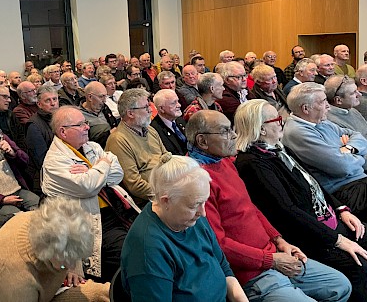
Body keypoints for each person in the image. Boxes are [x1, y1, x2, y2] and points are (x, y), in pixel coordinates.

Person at [186, 109, 352, 302]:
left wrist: (279, 240)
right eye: (225, 131)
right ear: (202, 141)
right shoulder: (196, 181)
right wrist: (272, 261)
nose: (234, 136)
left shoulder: (225, 162)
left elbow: (251, 208)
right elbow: (219, 245)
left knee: (340, 286)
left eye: (232, 129)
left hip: (272, 254)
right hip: (251, 273)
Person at [234, 99, 367, 302]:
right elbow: (287, 211)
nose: (282, 122)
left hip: (328, 219)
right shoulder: (253, 163)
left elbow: (313, 183)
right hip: (309, 235)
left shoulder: (279, 150)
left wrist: (341, 209)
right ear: (261, 129)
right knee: (365, 272)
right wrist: (338, 240)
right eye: (277, 118)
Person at [121, 154, 248, 302]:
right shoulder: (147, 250)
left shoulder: (191, 217)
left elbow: (224, 267)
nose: (203, 213)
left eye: (204, 202)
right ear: (166, 201)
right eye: (194, 205)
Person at [42, 106, 132, 281]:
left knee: (148, 240)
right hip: (86, 225)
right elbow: (88, 186)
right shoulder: (54, 161)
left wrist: (92, 171)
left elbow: (118, 174)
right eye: (81, 124)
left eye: (86, 122)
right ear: (63, 132)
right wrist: (101, 166)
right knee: (130, 252)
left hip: (113, 210)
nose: (87, 127)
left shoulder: (92, 146)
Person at [0, 196, 109, 302]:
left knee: (102, 292)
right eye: (67, 260)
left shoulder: (47, 220)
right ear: (47, 252)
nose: (72, 264)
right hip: (27, 296)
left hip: (51, 288)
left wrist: (69, 268)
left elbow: (68, 252)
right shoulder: (17, 281)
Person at [283, 82, 367, 225]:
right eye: (323, 101)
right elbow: (343, 167)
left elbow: (357, 135)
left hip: (359, 180)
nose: (328, 106)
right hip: (345, 190)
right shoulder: (298, 132)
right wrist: (357, 154)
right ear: (306, 108)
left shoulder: (320, 121)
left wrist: (348, 149)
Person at [105, 88, 169, 206]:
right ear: (130, 113)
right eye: (145, 107)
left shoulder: (150, 130)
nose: (150, 110)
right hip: (151, 200)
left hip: (167, 186)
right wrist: (166, 194)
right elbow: (134, 185)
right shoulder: (118, 140)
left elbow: (166, 157)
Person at [324, 75, 367, 174]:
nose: (359, 94)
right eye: (353, 93)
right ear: (338, 100)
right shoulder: (331, 122)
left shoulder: (352, 110)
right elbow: (353, 158)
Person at [25, 85, 59, 192]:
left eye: (55, 99)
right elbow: (42, 160)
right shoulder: (33, 126)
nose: (53, 103)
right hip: (46, 177)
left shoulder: (61, 118)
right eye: (48, 101)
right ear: (39, 104)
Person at [79, 81, 118, 147]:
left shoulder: (104, 108)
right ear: (90, 97)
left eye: (105, 96)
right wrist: (109, 134)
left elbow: (114, 124)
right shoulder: (79, 115)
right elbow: (85, 144)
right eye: (101, 97)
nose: (104, 100)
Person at [151, 89, 187, 155]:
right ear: (161, 109)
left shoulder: (180, 119)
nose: (179, 105)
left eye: (178, 101)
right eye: (173, 103)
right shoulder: (154, 130)